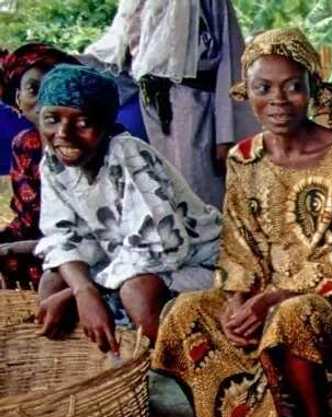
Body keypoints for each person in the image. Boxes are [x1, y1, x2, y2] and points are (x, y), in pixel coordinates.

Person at [152, 28, 332, 417]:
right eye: (263, 87)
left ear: (313, 88)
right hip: (258, 289)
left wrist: (272, 299)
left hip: (331, 292)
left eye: (293, 85)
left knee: (290, 319)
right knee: (186, 312)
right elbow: (237, 242)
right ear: (246, 93)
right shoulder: (243, 158)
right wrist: (237, 300)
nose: (278, 99)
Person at [33, 64, 220, 353]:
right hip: (127, 264)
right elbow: (61, 238)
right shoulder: (54, 162)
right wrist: (81, 290)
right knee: (53, 281)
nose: (63, 133)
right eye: (51, 119)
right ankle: (100, 371)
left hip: (201, 264)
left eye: (82, 122)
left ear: (106, 124)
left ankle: (183, 370)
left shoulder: (129, 154)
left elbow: (161, 249)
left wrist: (83, 292)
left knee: (137, 292)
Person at [84, 0, 256, 209]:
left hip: (197, 112)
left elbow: (231, 58)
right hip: (151, 111)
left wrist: (225, 135)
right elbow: (116, 53)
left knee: (200, 197)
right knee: (162, 196)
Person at [0, 43, 77, 288]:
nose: (47, 100)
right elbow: (29, 221)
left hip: (81, 247)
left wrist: (12, 249)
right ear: (18, 100)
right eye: (34, 89)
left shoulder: (92, 142)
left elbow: (82, 231)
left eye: (56, 88)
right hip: (35, 239)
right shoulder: (24, 145)